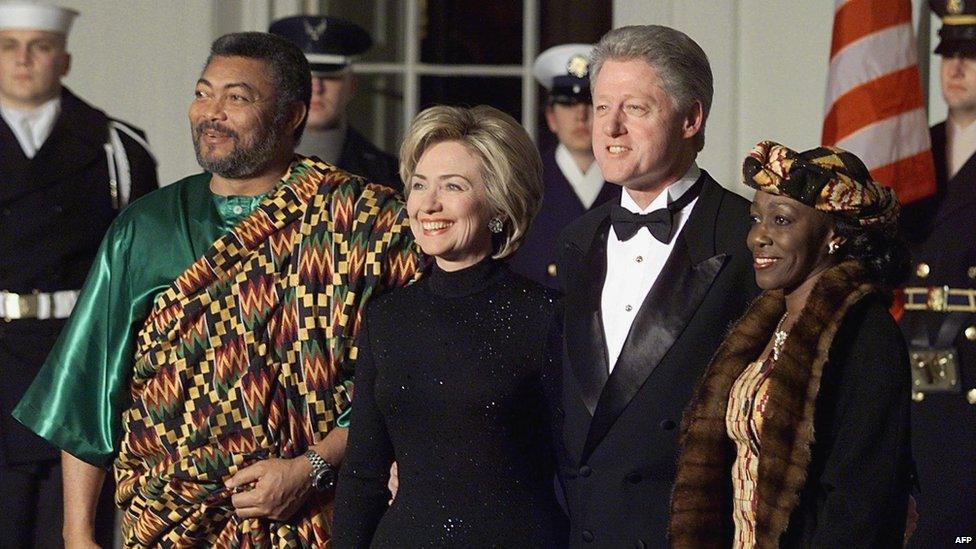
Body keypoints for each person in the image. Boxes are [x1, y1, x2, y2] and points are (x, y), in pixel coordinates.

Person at [13, 32, 418, 547]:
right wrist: (77, 534)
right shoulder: (146, 227)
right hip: (169, 523)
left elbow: (402, 382)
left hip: (320, 521)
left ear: (292, 115)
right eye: (203, 93)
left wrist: (310, 468)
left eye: (237, 97)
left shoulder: (365, 224)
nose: (212, 112)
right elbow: (88, 393)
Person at [551, 25, 759, 547]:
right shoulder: (574, 241)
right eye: (602, 108)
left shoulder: (749, 238)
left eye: (635, 109)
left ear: (691, 119)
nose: (611, 128)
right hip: (585, 530)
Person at [332, 105, 569, 547]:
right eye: (419, 185)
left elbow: (576, 472)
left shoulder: (546, 316)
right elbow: (364, 474)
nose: (428, 204)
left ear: (499, 204)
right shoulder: (387, 318)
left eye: (453, 186)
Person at [670, 141, 913, 547]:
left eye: (781, 220)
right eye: (755, 218)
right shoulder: (764, 323)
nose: (757, 237)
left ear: (833, 234)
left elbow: (860, 505)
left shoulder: (866, 336)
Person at [0, 2, 158, 547]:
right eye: (8, 45)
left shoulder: (118, 147)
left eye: (39, 46)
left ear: (63, 59)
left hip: (74, 362)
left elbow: (141, 278)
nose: (23, 60)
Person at [898, 2, 976, 545]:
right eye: (948, 52)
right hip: (915, 356)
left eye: (971, 56)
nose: (955, 67)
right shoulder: (906, 153)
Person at [509, 43, 619, 288]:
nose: (580, 115)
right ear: (551, 117)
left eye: (591, 103)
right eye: (568, 104)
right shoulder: (522, 185)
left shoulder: (634, 184)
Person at [270, 15, 401, 192]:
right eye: (304, 77)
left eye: (330, 77)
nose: (316, 88)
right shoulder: (252, 162)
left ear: (352, 86)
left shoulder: (388, 174)